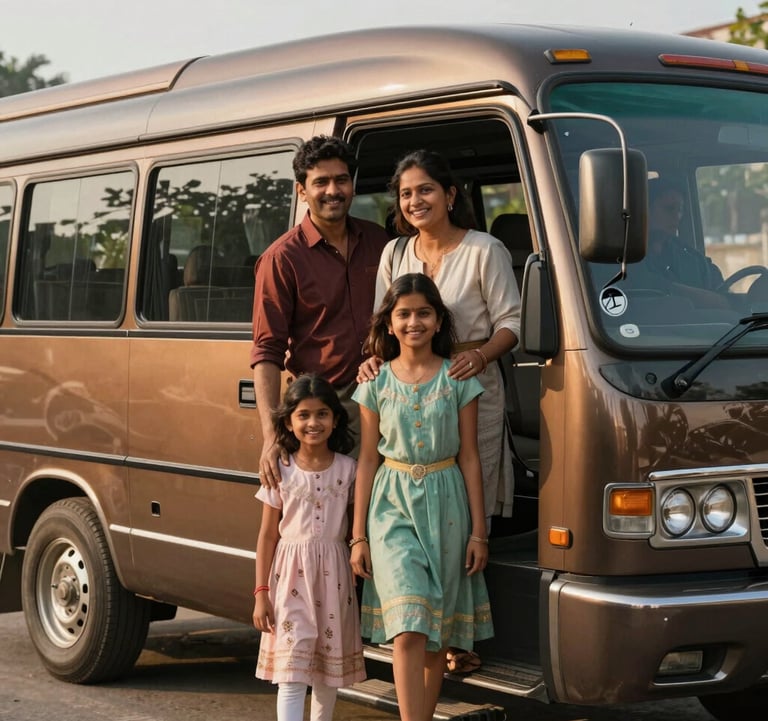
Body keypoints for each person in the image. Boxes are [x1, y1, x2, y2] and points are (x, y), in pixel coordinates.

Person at [350, 273, 494, 721]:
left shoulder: (458, 378)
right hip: (390, 504)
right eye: (404, 314)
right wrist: (358, 536)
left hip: (447, 501)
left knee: (436, 629)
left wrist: (480, 532)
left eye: (423, 313)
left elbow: (470, 457)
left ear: (438, 321)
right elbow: (368, 460)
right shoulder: (373, 383)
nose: (414, 322)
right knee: (409, 626)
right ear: (389, 324)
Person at [359, 150, 521, 526]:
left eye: (425, 190)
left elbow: (512, 323)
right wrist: (372, 358)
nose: (415, 201)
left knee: (467, 504)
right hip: (407, 394)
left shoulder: (484, 249)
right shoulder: (394, 252)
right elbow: (382, 324)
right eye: (406, 193)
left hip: (469, 385)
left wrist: (480, 358)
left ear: (450, 195)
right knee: (412, 501)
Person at [250, 135, 390, 488]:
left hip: (385, 393)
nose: (333, 190)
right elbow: (267, 351)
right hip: (323, 405)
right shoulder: (282, 258)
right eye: (321, 182)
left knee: (381, 506)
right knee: (326, 516)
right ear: (301, 190)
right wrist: (271, 435)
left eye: (341, 180)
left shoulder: (379, 242)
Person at [252, 374, 365, 721]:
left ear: (334, 419)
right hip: (289, 581)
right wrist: (261, 592)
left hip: (334, 578)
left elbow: (353, 528)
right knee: (292, 671)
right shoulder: (280, 470)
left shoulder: (349, 470)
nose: (313, 423)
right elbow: (267, 535)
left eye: (321, 414)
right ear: (289, 421)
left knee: (327, 674)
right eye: (303, 415)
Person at [646, 180, 724, 290]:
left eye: (680, 210)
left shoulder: (693, 259)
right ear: (644, 210)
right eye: (669, 208)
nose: (677, 216)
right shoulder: (626, 262)